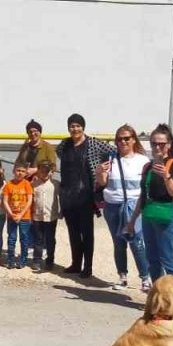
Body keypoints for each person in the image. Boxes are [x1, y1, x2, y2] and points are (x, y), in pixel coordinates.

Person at [96, 125, 151, 291]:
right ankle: (122, 277)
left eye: (126, 138)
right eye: (119, 139)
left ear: (133, 139)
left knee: (137, 242)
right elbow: (103, 182)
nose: (123, 142)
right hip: (112, 205)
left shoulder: (143, 161)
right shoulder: (109, 158)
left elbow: (147, 186)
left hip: (134, 206)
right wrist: (99, 172)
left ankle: (145, 278)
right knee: (118, 242)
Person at [57, 113, 110, 277]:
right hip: (68, 194)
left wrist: (106, 169)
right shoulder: (64, 145)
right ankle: (75, 263)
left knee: (86, 232)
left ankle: (88, 267)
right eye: (72, 126)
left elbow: (114, 152)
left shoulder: (93, 143)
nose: (75, 129)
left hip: (86, 195)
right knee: (73, 231)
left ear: (83, 127)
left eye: (78, 126)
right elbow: (60, 157)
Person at [141, 124, 173, 282]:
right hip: (149, 213)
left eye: (161, 143)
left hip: (167, 212)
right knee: (152, 259)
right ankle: (158, 294)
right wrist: (132, 221)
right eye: (154, 143)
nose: (157, 147)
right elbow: (143, 195)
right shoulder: (148, 166)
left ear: (169, 144)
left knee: (168, 257)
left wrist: (166, 176)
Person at [2, 161, 35, 269]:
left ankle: (23, 260)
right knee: (11, 238)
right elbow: (5, 201)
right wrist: (11, 214)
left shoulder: (27, 184)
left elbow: (29, 200)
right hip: (12, 217)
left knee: (24, 239)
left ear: (26, 173)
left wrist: (21, 214)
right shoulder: (8, 185)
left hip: (24, 217)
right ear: (13, 171)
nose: (20, 173)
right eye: (18, 170)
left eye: (23, 171)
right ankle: (10, 260)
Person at [31, 160, 60, 272]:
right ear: (38, 171)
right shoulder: (33, 184)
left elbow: (60, 198)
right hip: (37, 216)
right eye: (42, 171)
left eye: (47, 171)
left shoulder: (55, 184)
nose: (44, 174)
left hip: (51, 216)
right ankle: (37, 260)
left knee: (50, 239)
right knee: (38, 239)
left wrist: (61, 211)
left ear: (51, 172)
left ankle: (50, 260)